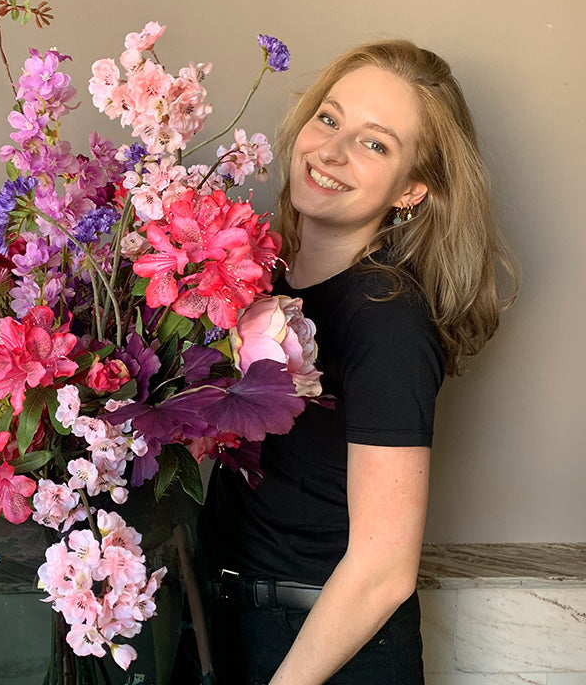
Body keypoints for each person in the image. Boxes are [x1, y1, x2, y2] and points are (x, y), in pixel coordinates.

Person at [197, 39, 518, 685]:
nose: (332, 151)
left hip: (321, 652)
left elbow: (384, 569)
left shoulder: (386, 318)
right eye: (328, 118)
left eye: (375, 144)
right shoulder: (256, 275)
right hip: (227, 624)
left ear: (412, 189)